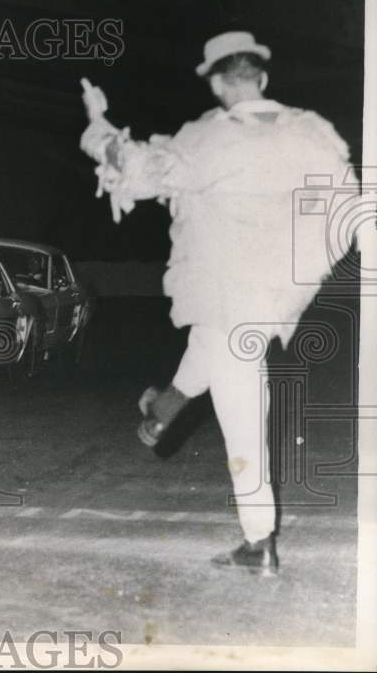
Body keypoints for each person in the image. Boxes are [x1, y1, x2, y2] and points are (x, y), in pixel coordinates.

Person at [79, 31, 358, 575]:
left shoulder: (209, 139)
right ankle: (162, 411)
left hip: (227, 297)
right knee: (209, 345)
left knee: (242, 415)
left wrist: (98, 120)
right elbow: (349, 215)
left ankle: (259, 541)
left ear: (215, 82)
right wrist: (300, 277)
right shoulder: (312, 134)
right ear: (264, 79)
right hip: (271, 298)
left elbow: (131, 168)